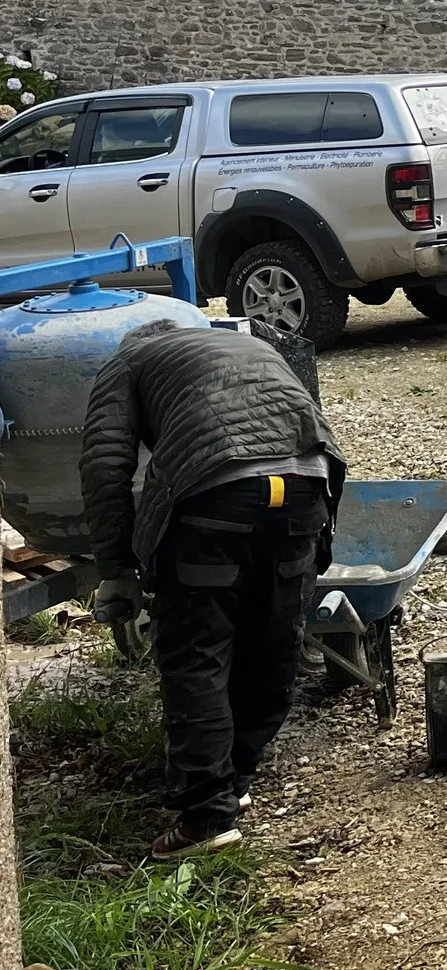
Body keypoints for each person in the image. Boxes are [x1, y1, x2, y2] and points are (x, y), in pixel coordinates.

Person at [82, 321, 346, 860]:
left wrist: (116, 569)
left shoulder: (128, 361)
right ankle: (236, 779)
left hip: (214, 497)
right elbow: (307, 418)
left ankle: (207, 816)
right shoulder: (249, 344)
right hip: (305, 483)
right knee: (274, 639)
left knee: (197, 652)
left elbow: (105, 465)